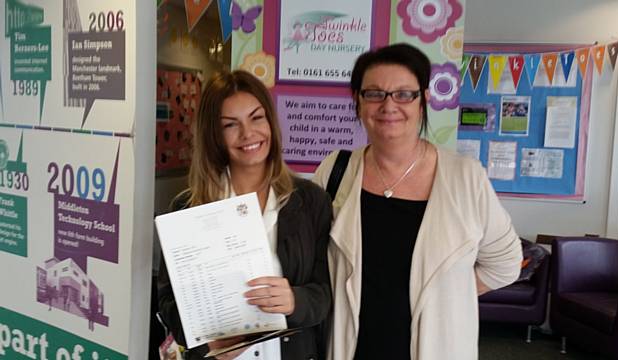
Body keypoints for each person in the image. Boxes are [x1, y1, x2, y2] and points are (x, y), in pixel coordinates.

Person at [312, 43, 523, 359]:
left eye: (403, 93)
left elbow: (505, 263)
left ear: (423, 99)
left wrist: (448, 293)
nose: (388, 105)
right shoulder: (335, 169)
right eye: (374, 93)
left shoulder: (465, 177)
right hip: (349, 346)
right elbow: (311, 256)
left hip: (436, 347)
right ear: (358, 101)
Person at [158, 70, 332, 360]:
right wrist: (208, 344)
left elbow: (325, 293)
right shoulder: (188, 208)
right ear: (215, 134)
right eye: (230, 125)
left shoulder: (311, 201)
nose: (248, 133)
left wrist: (294, 301)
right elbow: (167, 300)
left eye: (256, 117)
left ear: (270, 121)